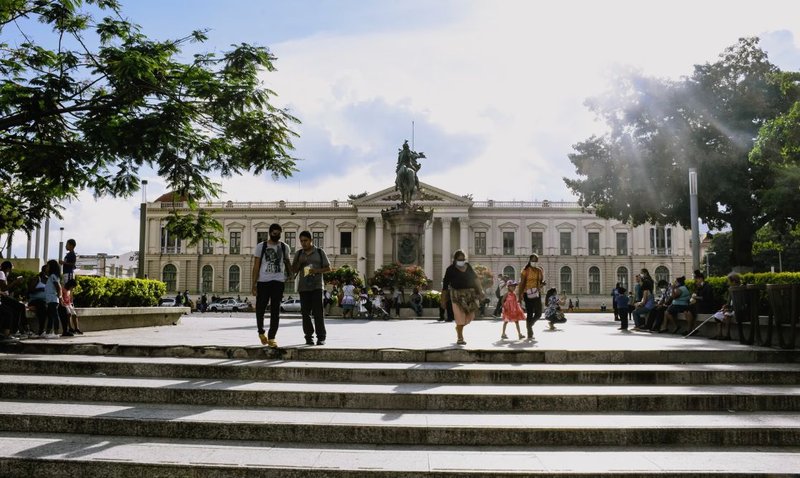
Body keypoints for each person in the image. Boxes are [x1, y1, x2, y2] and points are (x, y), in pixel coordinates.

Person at [251, 223, 294, 348]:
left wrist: (291, 273)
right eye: (274, 233)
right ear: (270, 233)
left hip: (278, 281)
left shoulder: (285, 247)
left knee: (276, 311)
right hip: (263, 281)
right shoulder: (261, 246)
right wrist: (253, 284)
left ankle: (272, 337)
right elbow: (256, 266)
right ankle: (261, 332)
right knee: (260, 309)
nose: (277, 236)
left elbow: (287, 262)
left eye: (279, 234)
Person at [291, 230, 331, 345]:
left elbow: (328, 268)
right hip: (303, 287)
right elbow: (294, 271)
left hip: (317, 286)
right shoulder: (299, 254)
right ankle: (308, 336)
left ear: (311, 240)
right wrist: (299, 263)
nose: (304, 243)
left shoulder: (319, 252)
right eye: (301, 241)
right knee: (305, 314)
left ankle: (321, 337)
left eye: (306, 241)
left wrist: (316, 270)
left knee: (318, 312)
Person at [441, 249, 484, 346]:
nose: (461, 261)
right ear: (455, 259)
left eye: (463, 259)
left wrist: (481, 291)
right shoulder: (450, 269)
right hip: (456, 296)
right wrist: (443, 300)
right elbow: (445, 286)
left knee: (470, 316)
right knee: (459, 317)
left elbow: (475, 279)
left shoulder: (468, 266)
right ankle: (460, 337)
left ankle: (459, 327)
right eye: (459, 259)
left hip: (469, 295)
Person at [518, 254, 545, 340]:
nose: (535, 262)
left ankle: (530, 325)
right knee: (529, 313)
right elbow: (522, 283)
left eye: (536, 260)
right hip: (527, 293)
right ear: (529, 260)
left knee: (539, 313)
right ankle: (530, 332)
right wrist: (520, 295)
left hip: (536, 293)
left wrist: (542, 284)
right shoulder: (525, 270)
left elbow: (540, 282)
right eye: (533, 260)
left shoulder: (539, 271)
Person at [709, 272, 741, 340]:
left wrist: (729, 309)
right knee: (717, 315)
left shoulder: (740, 289)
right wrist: (725, 306)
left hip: (738, 310)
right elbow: (728, 303)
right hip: (731, 310)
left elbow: (739, 304)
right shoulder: (730, 289)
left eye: (729, 281)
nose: (728, 283)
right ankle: (719, 334)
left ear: (734, 281)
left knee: (727, 314)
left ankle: (727, 335)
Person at [685, 270, 716, 336]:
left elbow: (706, 298)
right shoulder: (699, 287)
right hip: (700, 305)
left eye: (697, 280)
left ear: (701, 279)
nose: (696, 282)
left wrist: (696, 297)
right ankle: (690, 329)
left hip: (706, 306)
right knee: (687, 310)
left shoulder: (707, 286)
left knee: (690, 309)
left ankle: (690, 329)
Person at [0, 260, 26, 338]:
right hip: (3, 298)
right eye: (11, 268)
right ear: (8, 268)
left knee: (16, 308)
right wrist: (15, 281)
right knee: (20, 307)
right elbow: (4, 288)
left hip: (5, 297)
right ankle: (18, 329)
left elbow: (7, 289)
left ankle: (15, 329)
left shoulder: (4, 274)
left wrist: (16, 284)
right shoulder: (1, 273)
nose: (11, 271)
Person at [43, 259, 62, 339]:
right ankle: (48, 332)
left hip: (53, 299)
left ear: (52, 267)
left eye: (48, 266)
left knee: (54, 315)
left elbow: (58, 286)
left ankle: (56, 332)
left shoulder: (53, 276)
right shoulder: (51, 276)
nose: (46, 267)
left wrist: (59, 296)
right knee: (50, 316)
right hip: (50, 299)